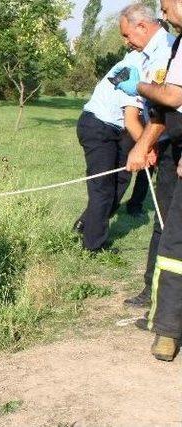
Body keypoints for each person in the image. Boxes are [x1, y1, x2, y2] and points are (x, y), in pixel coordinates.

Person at [73, 5, 175, 254]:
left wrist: (145, 146)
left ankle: (86, 225)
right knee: (103, 186)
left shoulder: (162, 53)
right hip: (99, 124)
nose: (126, 42)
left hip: (119, 128)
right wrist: (147, 147)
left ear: (142, 27)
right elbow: (131, 117)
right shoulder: (134, 61)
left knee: (120, 181)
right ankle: (92, 246)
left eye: (127, 35)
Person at [116, 0, 182, 361]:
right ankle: (162, 314)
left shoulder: (169, 47)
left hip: (175, 146)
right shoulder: (175, 44)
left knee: (172, 237)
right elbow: (165, 110)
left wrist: (138, 88)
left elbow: (170, 98)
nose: (164, 12)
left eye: (166, 6)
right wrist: (145, 140)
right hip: (171, 139)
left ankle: (166, 324)